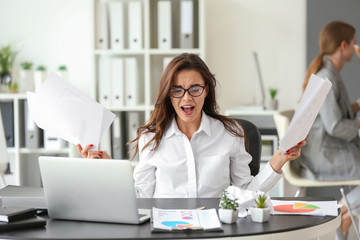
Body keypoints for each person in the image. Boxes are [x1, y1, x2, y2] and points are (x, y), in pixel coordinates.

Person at [78, 53, 306, 199]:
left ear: (206, 90)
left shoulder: (231, 133)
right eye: (177, 90)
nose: (186, 98)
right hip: (165, 231)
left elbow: (245, 194)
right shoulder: (151, 137)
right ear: (168, 94)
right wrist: (107, 170)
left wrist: (278, 161)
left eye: (194, 89)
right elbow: (140, 198)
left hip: (216, 231)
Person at [294, 21, 360, 240]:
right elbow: (334, 126)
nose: (355, 46)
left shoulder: (330, 73)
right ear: (344, 45)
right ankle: (343, 209)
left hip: (329, 150)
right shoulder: (327, 77)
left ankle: (346, 212)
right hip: (323, 156)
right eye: (353, 42)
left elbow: (333, 115)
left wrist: (357, 106)